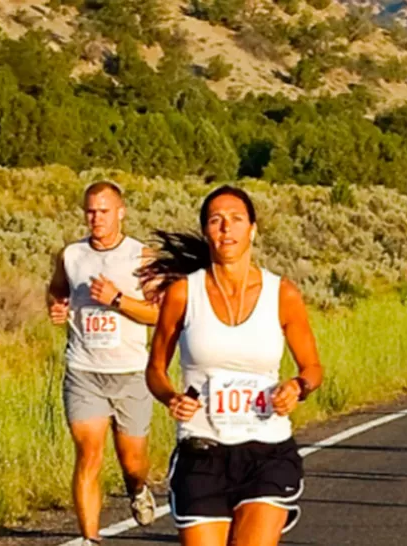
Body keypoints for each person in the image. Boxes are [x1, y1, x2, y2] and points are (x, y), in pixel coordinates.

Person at [143, 186, 323, 546]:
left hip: (267, 449)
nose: (227, 228)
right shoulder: (183, 294)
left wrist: (296, 388)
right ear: (207, 231)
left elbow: (313, 368)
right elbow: (155, 370)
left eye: (236, 219)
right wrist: (170, 397)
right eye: (216, 220)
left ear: (252, 229)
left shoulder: (282, 294)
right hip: (202, 449)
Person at [47, 181, 159, 546]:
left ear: (121, 212)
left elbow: (159, 313)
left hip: (130, 374)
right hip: (84, 371)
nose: (96, 218)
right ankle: (90, 540)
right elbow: (58, 288)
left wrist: (117, 300)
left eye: (104, 211)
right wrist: (57, 305)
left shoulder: (141, 257)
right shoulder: (72, 255)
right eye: (90, 211)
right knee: (88, 455)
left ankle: (138, 488)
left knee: (132, 462)